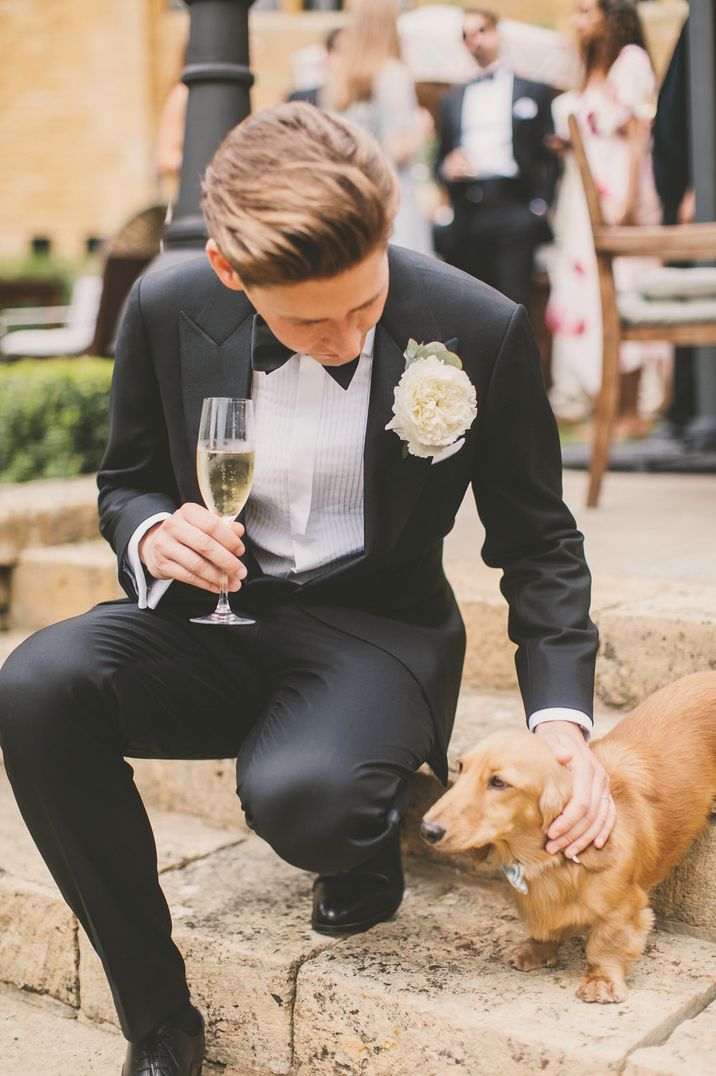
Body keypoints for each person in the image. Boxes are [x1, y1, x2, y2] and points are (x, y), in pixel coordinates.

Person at [0, 103, 609, 1076]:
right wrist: (156, 533)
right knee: (32, 685)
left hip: (375, 630)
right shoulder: (164, 305)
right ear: (231, 274)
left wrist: (563, 726)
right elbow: (128, 482)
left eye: (362, 308)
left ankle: (356, 822)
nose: (340, 338)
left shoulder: (474, 326)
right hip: (210, 617)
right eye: (306, 319)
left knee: (308, 797)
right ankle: (157, 1020)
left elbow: (537, 544)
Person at [546, 0, 671, 436]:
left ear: (611, 14)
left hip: (620, 199)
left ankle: (632, 410)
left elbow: (639, 137)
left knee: (625, 292)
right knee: (588, 297)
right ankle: (604, 404)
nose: (578, 21)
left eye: (586, 11)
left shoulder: (631, 61)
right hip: (583, 202)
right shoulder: (588, 70)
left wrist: (628, 201)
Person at [435, 6, 559, 312]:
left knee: (514, 307)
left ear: (497, 34)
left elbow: (551, 156)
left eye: (481, 31)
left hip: (514, 207)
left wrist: (539, 208)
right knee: (468, 309)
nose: (475, 40)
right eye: (467, 35)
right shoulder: (451, 99)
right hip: (468, 209)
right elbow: (440, 159)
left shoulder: (534, 90)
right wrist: (448, 168)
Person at [323, 0, 433, 255]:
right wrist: (421, 129)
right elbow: (398, 150)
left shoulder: (339, 83)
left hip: (349, 200)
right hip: (390, 203)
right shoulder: (393, 74)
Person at [287, 26, 345, 108]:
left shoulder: (367, 105)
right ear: (328, 56)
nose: (346, 59)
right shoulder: (300, 101)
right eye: (339, 51)